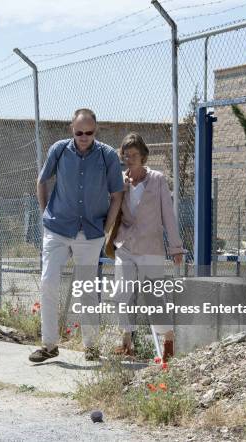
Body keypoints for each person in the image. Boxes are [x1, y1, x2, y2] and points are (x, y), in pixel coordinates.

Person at [29, 108, 124, 363]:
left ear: (96, 130)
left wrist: (106, 229)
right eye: (79, 132)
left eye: (89, 132)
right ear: (72, 128)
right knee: (48, 281)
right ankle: (49, 345)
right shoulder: (59, 150)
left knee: (87, 290)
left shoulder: (107, 156)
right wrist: (44, 215)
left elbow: (117, 195)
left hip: (91, 233)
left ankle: (91, 346)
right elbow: (42, 181)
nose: (84, 137)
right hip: (57, 229)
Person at [112, 133, 184, 362]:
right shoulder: (119, 180)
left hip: (151, 248)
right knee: (122, 293)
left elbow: (168, 217)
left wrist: (176, 248)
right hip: (125, 245)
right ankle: (126, 342)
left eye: (134, 155)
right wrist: (118, 190)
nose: (130, 158)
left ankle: (169, 339)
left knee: (154, 298)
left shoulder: (157, 180)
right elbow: (112, 211)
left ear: (143, 156)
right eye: (126, 154)